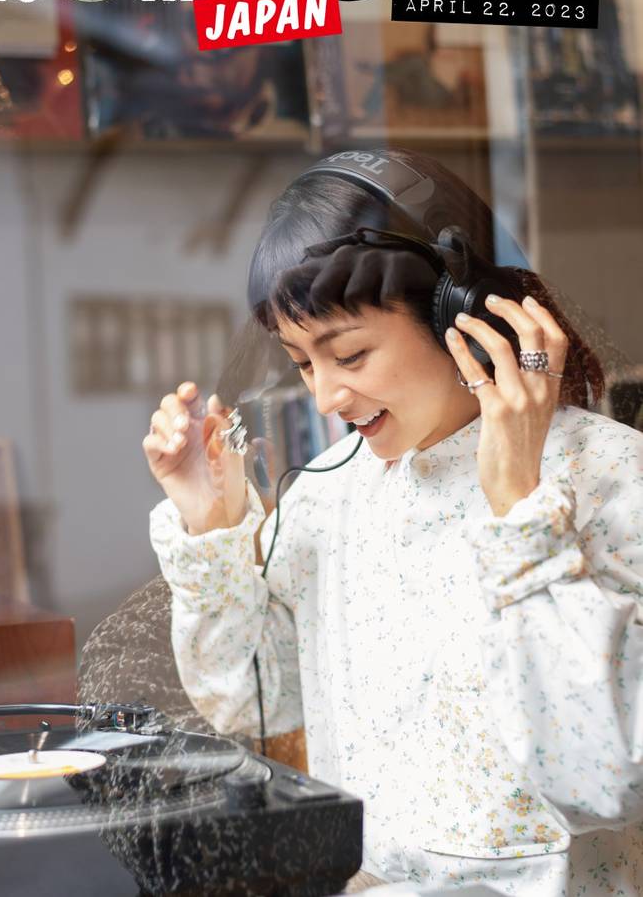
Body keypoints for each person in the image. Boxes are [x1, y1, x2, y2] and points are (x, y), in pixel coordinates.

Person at [143, 148, 643, 895]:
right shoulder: (327, 497)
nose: (325, 397)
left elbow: (605, 777)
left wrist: (521, 508)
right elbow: (253, 701)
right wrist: (211, 520)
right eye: (303, 363)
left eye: (349, 354)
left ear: (461, 314)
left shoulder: (608, 476)